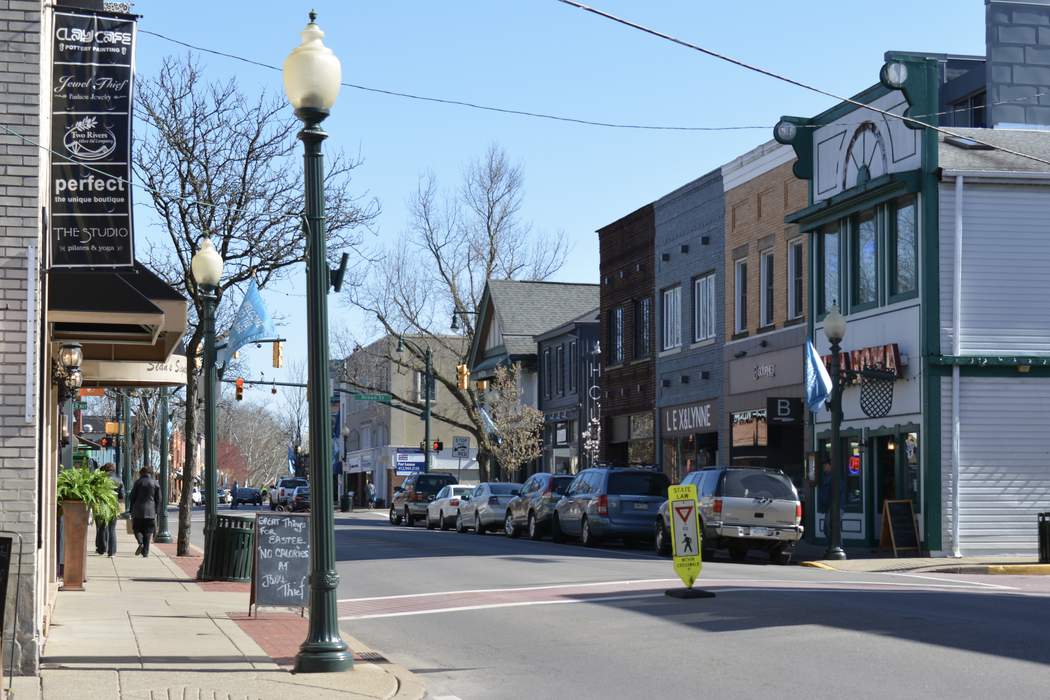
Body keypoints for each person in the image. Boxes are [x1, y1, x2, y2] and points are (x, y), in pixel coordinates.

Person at [129, 466, 162, 557]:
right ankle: (146, 552)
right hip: (151, 511)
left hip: (138, 510)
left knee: (137, 529)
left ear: (141, 473)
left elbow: (132, 497)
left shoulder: (137, 483)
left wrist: (131, 509)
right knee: (148, 532)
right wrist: (156, 511)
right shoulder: (155, 483)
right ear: (151, 473)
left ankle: (140, 542)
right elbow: (159, 499)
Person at [95, 463, 123, 557]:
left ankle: (102, 549)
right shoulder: (118, 480)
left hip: (102, 505)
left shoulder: (100, 479)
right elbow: (122, 496)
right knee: (112, 529)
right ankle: (112, 552)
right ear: (113, 470)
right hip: (113, 506)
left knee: (101, 527)